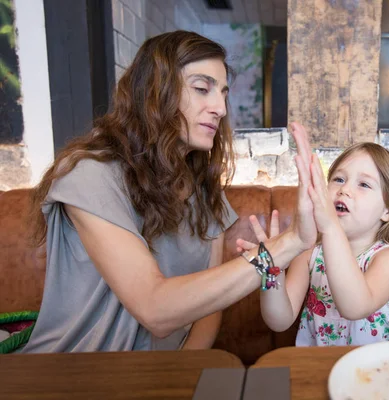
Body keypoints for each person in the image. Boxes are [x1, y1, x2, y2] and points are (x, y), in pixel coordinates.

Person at [21, 31, 317, 353]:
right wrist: (286, 246)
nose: (219, 107)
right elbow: (154, 308)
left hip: (161, 373)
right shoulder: (90, 175)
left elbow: (208, 310)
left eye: (223, 93)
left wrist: (181, 372)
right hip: (75, 371)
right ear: (154, 92)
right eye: (202, 88)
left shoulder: (204, 188)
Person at [238, 142, 389, 346]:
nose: (344, 190)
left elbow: (355, 307)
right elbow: (279, 320)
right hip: (321, 368)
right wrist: (271, 270)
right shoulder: (308, 255)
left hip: (377, 371)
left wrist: (330, 226)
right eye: (339, 179)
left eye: (364, 184)